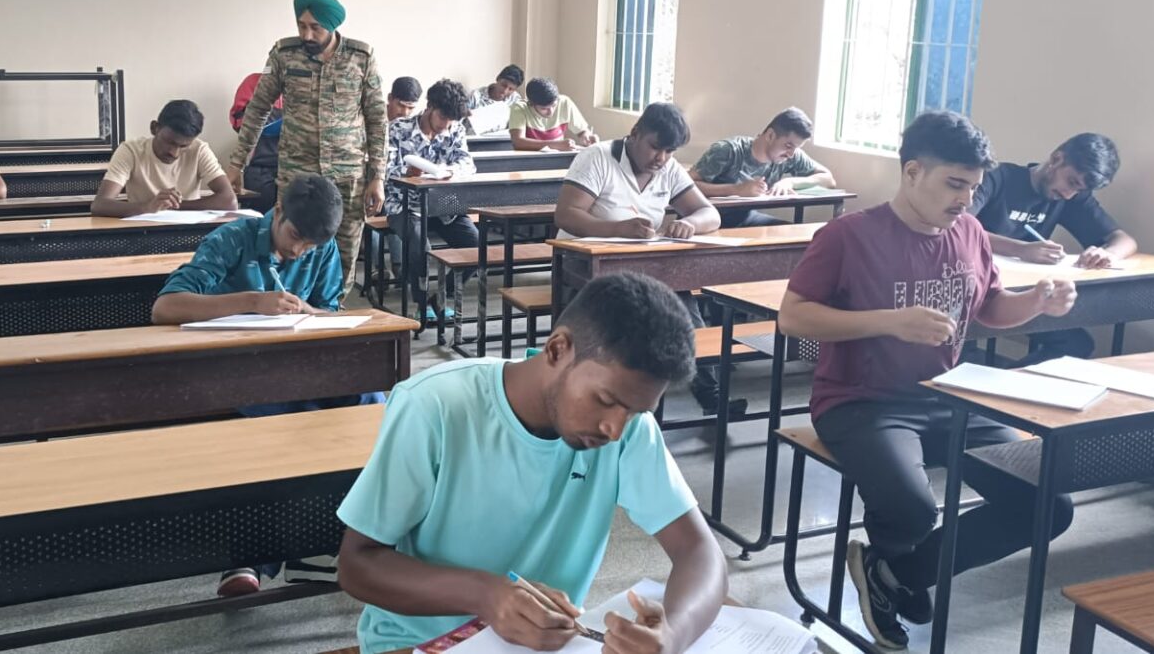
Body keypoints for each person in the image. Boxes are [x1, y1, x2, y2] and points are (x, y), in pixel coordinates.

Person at [778, 111, 1077, 650]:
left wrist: (1036, 302)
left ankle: (896, 573)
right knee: (913, 508)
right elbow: (792, 317)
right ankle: (897, 562)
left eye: (974, 187)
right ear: (912, 172)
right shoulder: (848, 235)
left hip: (946, 396)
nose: (966, 199)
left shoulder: (970, 233)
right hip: (861, 401)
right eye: (955, 184)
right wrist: (888, 322)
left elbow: (989, 307)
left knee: (1046, 505)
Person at [336, 272, 727, 654]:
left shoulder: (629, 430)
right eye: (605, 400)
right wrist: (485, 595)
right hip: (416, 643)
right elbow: (357, 565)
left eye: (636, 411)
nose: (614, 429)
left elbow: (700, 552)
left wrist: (674, 635)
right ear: (557, 350)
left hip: (545, 643)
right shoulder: (435, 406)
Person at [151, 174, 378, 596]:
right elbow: (165, 307)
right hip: (235, 373)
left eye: (310, 245)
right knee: (288, 425)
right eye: (294, 237)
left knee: (370, 403)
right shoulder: (232, 240)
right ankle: (252, 553)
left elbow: (330, 312)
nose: (299, 251)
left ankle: (345, 537)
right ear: (277, 212)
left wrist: (311, 312)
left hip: (298, 368)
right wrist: (252, 302)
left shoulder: (322, 247)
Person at [554, 103, 732, 416]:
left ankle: (710, 394)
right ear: (635, 133)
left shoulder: (669, 170)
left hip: (646, 266)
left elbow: (709, 213)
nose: (661, 158)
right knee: (623, 326)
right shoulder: (597, 157)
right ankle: (598, 397)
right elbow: (567, 214)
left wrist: (690, 224)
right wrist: (617, 229)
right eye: (655, 147)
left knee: (686, 316)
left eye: (669, 151)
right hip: (586, 264)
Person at [227, 0, 388, 279]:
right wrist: (237, 163)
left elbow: (377, 120)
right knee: (289, 250)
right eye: (301, 26)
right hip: (297, 176)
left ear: (332, 26)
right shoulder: (284, 55)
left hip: (347, 177)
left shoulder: (361, 58)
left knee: (344, 257)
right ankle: (288, 304)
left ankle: (333, 305)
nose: (307, 35)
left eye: (315, 28)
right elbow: (257, 109)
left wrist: (377, 176)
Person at [969, 132, 1136, 365]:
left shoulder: (1069, 197)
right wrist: (1021, 249)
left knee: (1076, 344)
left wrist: (1108, 253)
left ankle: (1008, 382)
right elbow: (959, 227)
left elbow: (1124, 240)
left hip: (1026, 294)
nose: (1069, 194)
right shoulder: (998, 177)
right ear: (1057, 159)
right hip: (977, 291)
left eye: (1079, 190)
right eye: (1072, 182)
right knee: (960, 346)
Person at [385, 79, 478, 322]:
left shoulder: (456, 130)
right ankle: (422, 303)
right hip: (404, 205)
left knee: (476, 245)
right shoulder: (398, 129)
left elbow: (468, 164)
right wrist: (407, 173)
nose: (446, 125)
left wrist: (448, 170)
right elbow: (385, 169)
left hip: (442, 205)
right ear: (430, 107)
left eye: (452, 120)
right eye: (443, 117)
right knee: (420, 245)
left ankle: (441, 297)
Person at [689, 107, 836, 227]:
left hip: (745, 217)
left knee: (793, 235)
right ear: (770, 135)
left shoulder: (791, 155)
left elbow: (828, 179)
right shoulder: (728, 151)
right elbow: (686, 186)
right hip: (706, 218)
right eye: (788, 145)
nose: (791, 154)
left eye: (796, 148)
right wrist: (736, 190)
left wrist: (790, 182)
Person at [91, 100, 237, 217]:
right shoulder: (131, 150)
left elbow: (229, 201)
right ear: (154, 128)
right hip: (142, 231)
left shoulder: (199, 150)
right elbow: (100, 205)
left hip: (187, 231)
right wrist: (148, 207)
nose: (174, 153)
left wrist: (171, 206)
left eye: (183, 146)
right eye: (169, 142)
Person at [230, 72, 283, 208]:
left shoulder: (303, 85)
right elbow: (238, 121)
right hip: (260, 166)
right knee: (259, 213)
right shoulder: (253, 82)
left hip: (294, 166)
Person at [509, 78, 597, 151]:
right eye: (544, 109)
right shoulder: (519, 108)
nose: (551, 112)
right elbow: (518, 142)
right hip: (530, 159)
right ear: (531, 104)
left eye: (554, 106)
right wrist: (555, 145)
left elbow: (582, 131)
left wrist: (587, 136)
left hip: (557, 158)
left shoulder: (564, 102)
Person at [466, 64, 526, 134]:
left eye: (511, 89)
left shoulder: (515, 99)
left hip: (502, 138)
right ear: (498, 79)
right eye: (503, 85)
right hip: (475, 138)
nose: (505, 91)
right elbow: (461, 124)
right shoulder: (476, 96)